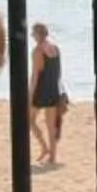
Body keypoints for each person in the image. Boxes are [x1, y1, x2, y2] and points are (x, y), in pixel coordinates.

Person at [29, 22, 68, 167]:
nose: (32, 36)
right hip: (53, 89)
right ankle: (52, 156)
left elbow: (35, 76)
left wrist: (30, 95)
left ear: (38, 34)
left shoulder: (37, 51)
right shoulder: (56, 49)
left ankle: (44, 147)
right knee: (51, 125)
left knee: (29, 119)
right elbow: (58, 72)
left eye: (33, 33)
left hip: (41, 90)